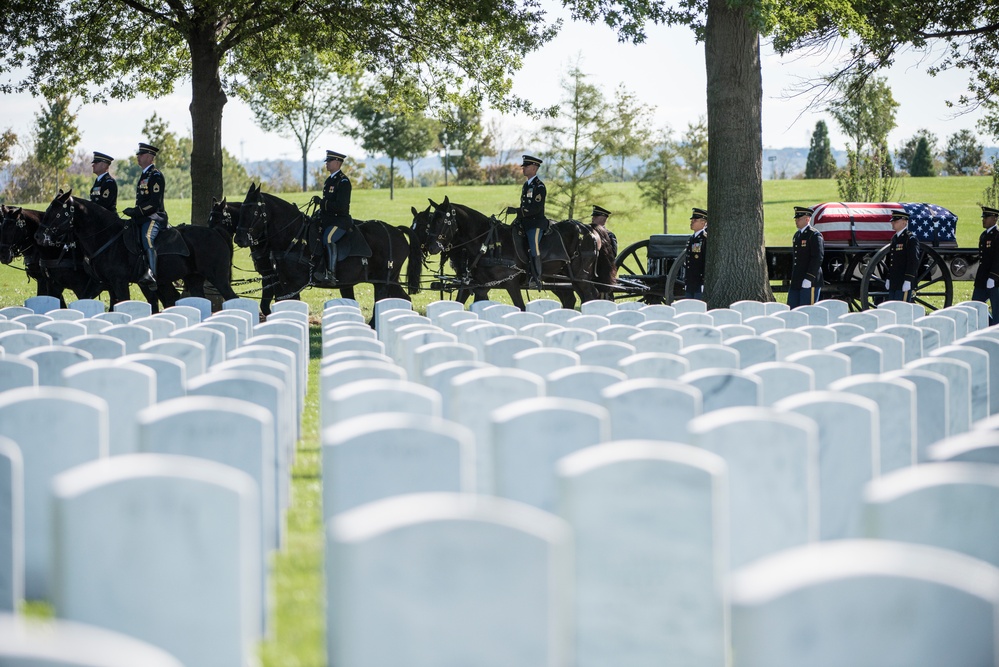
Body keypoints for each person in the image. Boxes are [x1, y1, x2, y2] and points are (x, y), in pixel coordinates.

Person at [121, 142, 166, 287]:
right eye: (138, 155)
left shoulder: (155, 175)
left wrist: (136, 211)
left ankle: (152, 273)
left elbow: (154, 203)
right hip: (141, 217)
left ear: (150, 157)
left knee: (147, 237)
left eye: (141, 155)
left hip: (154, 217)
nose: (138, 157)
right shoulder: (144, 175)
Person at [507, 154, 548, 288]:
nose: (523, 168)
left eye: (526, 166)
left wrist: (519, 211)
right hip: (524, 222)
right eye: (523, 166)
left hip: (535, 223)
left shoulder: (539, 187)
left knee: (534, 246)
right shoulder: (526, 185)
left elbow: (535, 208)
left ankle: (537, 277)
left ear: (535, 168)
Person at [312, 150, 352, 282]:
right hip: (327, 219)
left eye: (329, 161)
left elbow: (341, 206)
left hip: (339, 221)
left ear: (337, 162)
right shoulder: (330, 180)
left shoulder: (343, 181)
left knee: (328, 238)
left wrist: (322, 203)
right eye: (327, 161)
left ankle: (331, 273)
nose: (327, 164)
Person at [788, 205, 824, 308]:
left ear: (807, 219)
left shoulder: (814, 235)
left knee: (808, 311)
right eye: (796, 218)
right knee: (793, 309)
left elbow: (817, 257)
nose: (796, 221)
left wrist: (809, 278)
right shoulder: (797, 235)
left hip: (809, 280)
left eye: (799, 218)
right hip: (797, 280)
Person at [884, 208, 920, 303]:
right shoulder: (895, 238)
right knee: (892, 307)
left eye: (895, 221)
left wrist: (908, 280)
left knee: (901, 309)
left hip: (904, 281)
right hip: (894, 281)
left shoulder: (910, 239)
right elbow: (891, 261)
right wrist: (888, 277)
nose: (892, 223)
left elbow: (913, 261)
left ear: (904, 222)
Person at [973, 205, 999, 325]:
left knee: (996, 310)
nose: (983, 219)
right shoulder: (984, 235)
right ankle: (990, 325)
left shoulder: (997, 235)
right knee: (975, 307)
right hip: (982, 278)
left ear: (995, 219)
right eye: (983, 217)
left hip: (995, 280)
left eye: (987, 217)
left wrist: (993, 277)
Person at [684, 207, 708, 299]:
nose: (692, 222)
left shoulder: (704, 238)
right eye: (692, 220)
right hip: (691, 281)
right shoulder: (693, 238)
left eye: (695, 220)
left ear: (703, 222)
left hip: (700, 281)